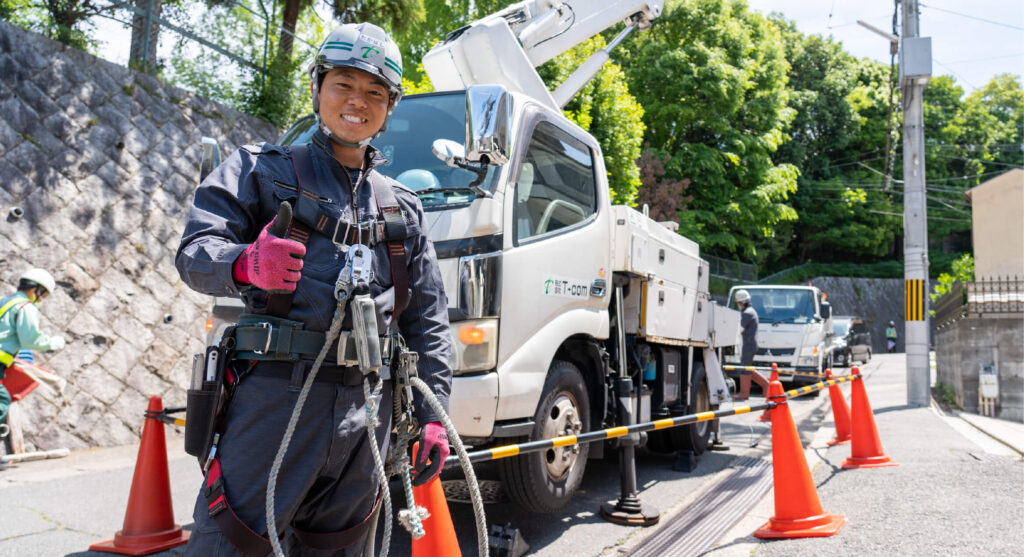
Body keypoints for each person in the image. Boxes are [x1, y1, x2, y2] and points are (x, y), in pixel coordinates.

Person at [175, 22, 452, 556]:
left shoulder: (402, 208)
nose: (358, 101)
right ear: (317, 88)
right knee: (232, 544)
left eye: (375, 92)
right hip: (274, 399)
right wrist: (245, 264)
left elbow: (428, 321)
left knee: (344, 547)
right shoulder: (259, 170)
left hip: (369, 410)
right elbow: (194, 252)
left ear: (390, 107)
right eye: (343, 84)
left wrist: (435, 414)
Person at [0, 269, 66, 470]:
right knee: (2, 399)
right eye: (43, 294)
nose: (42, 299)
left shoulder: (5, 302)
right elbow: (30, 339)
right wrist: (54, 343)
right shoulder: (25, 307)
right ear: (36, 290)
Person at [733, 289, 767, 400]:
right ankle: (766, 385)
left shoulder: (747, 313)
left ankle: (744, 393)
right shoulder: (751, 311)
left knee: (745, 368)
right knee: (747, 368)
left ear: (741, 303)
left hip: (748, 344)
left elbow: (739, 329)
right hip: (750, 344)